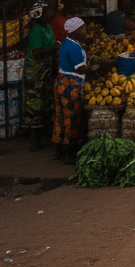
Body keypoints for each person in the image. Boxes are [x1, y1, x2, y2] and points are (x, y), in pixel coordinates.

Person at [21, 1, 57, 151]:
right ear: (40, 14)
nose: (52, 13)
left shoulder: (47, 27)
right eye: (49, 11)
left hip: (45, 71)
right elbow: (36, 52)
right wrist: (54, 48)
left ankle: (41, 138)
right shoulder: (36, 30)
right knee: (34, 104)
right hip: (35, 73)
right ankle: (33, 141)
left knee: (44, 103)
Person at [53, 16, 88, 162]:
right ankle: (70, 154)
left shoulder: (67, 42)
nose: (85, 30)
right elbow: (81, 69)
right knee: (72, 118)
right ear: (76, 30)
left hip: (62, 83)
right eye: (83, 28)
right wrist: (97, 66)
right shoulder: (73, 47)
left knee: (61, 117)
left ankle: (58, 151)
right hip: (70, 86)